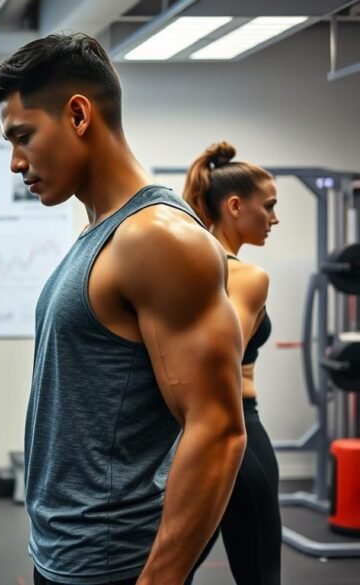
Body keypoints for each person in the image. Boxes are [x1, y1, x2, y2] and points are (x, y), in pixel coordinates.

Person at [0, 34, 246, 585]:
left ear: (78, 114)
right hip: (67, 548)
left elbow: (218, 427)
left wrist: (160, 578)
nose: (14, 163)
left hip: (113, 563)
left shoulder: (158, 239)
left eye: (22, 136)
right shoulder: (102, 231)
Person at [182, 142, 282, 584]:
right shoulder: (247, 275)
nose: (275, 219)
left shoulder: (186, 264)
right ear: (236, 205)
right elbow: (224, 356)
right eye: (270, 206)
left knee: (172, 567)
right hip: (237, 429)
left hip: (190, 430)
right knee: (260, 574)